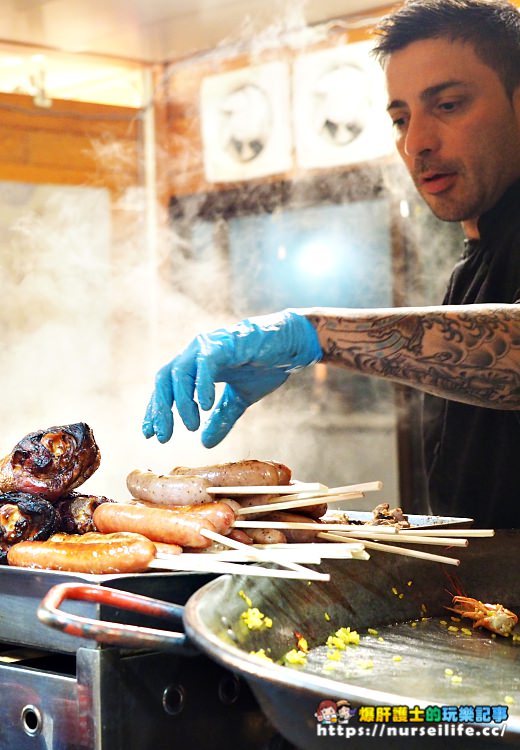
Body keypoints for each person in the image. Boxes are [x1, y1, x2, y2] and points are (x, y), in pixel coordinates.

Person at [143, 0, 520, 528]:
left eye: (449, 105)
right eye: (400, 118)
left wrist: (313, 334)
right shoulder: (474, 261)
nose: (416, 143)